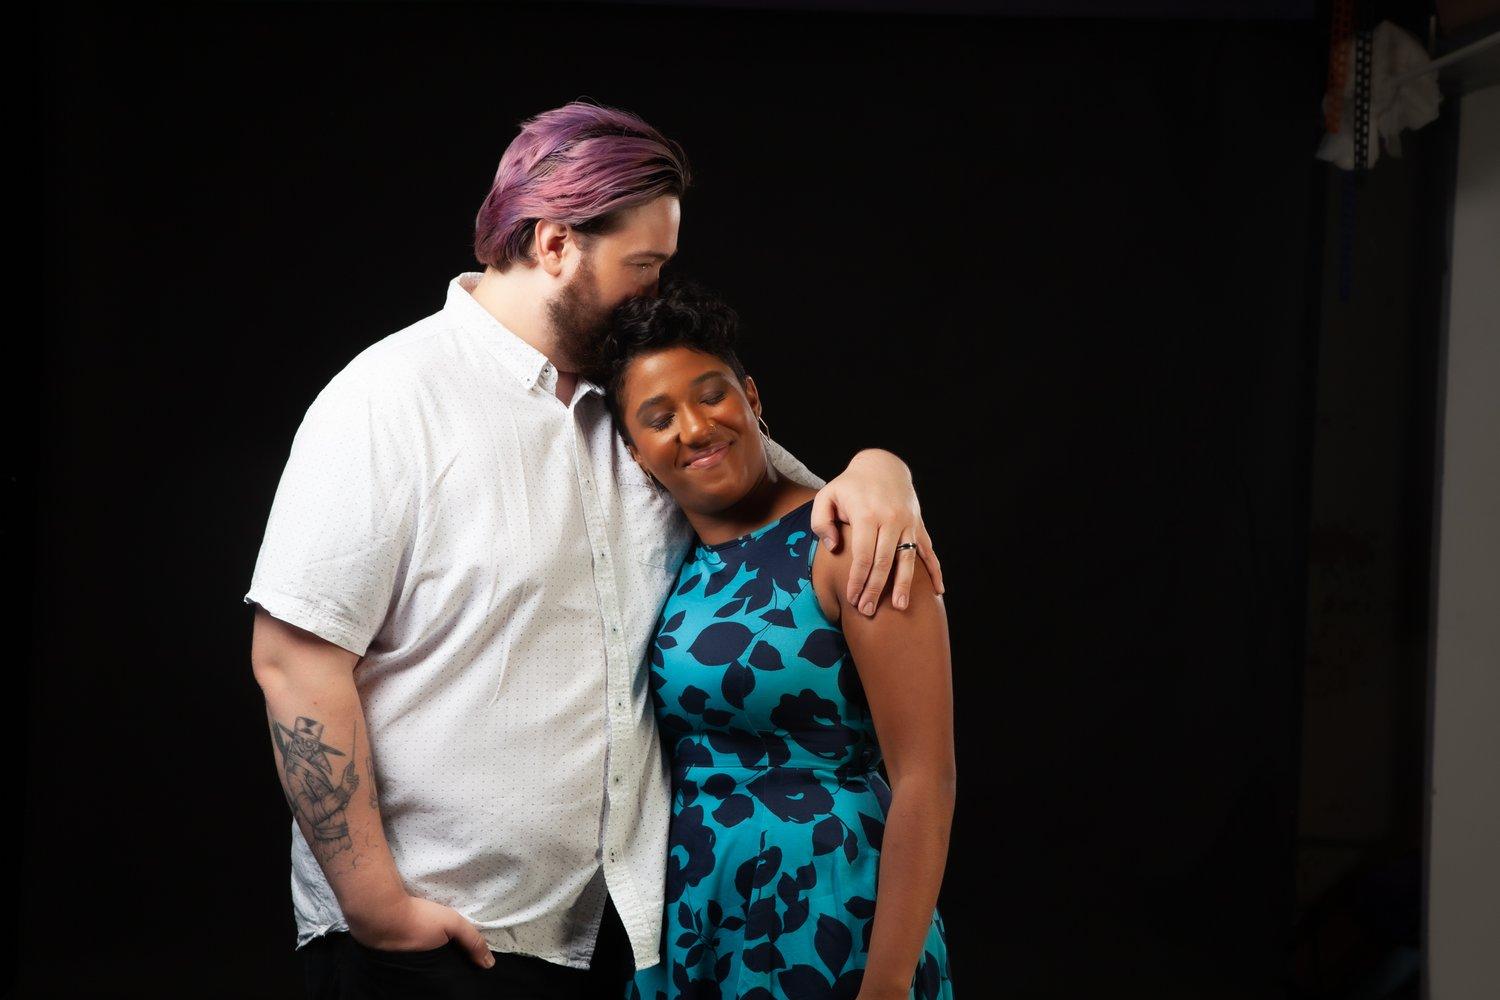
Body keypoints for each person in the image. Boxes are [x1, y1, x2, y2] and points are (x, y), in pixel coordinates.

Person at [244, 99, 946, 1000]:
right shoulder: (388, 399)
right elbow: (293, 659)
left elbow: (794, 495)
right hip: (436, 940)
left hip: (623, 937)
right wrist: (377, 908)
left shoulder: (635, 410)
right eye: (643, 266)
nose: (654, 292)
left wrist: (885, 472)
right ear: (554, 244)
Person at [590, 280, 956, 1000]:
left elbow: (926, 778)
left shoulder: (851, 538)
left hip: (831, 908)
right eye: (660, 418)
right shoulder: (665, 565)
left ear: (752, 398)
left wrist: (886, 984)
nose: (695, 428)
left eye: (712, 396)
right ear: (635, 452)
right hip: (696, 912)